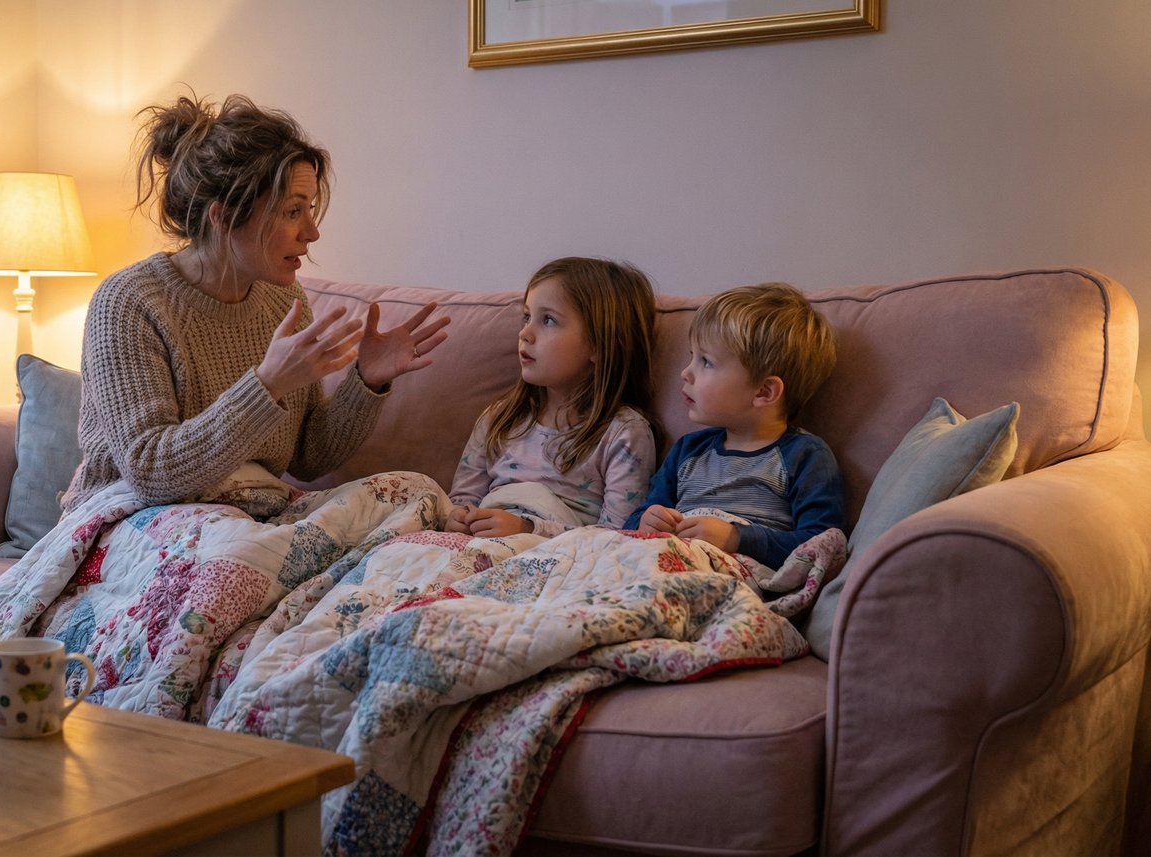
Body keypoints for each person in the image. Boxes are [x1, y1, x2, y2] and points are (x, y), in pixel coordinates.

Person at [60, 93, 449, 513]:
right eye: (291, 211)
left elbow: (309, 457)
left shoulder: (285, 300)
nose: (311, 232)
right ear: (223, 216)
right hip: (131, 519)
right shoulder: (130, 303)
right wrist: (268, 384)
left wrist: (366, 381)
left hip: (244, 516)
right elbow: (152, 475)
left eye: (311, 208)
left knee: (411, 497)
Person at [623, 282, 844, 568]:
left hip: (726, 574)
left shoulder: (805, 456)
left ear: (764, 392)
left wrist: (737, 538)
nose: (685, 373)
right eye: (692, 356)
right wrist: (646, 520)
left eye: (706, 362)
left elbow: (823, 545)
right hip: (658, 561)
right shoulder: (689, 450)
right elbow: (632, 524)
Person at [446, 257, 659, 538]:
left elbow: (615, 538)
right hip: (476, 545)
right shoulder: (500, 417)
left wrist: (528, 530)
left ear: (599, 344)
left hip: (552, 556)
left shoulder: (624, 433)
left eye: (548, 320)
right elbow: (461, 501)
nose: (525, 333)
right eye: (526, 316)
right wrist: (458, 518)